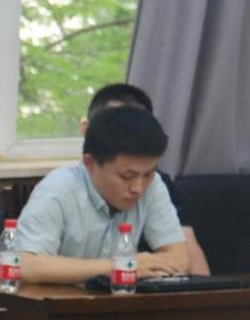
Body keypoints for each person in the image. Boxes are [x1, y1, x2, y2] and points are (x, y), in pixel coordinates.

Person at [16, 105, 188, 284]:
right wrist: (117, 267)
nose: (138, 188)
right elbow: (24, 265)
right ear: (90, 163)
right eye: (127, 176)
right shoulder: (58, 189)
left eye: (148, 174)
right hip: (51, 299)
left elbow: (179, 259)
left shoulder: (153, 185)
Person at [82, 83, 210, 275]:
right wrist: (122, 266)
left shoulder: (157, 184)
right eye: (127, 176)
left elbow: (194, 267)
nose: (138, 187)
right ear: (87, 130)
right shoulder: (64, 187)